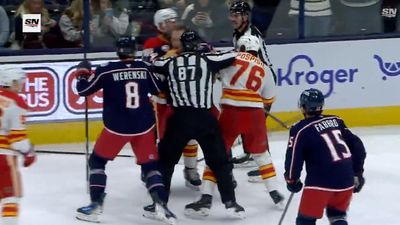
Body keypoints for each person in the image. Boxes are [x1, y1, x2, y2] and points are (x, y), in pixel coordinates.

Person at [74, 36, 176, 224]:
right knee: (150, 167)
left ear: (118, 51)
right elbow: (158, 88)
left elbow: (83, 90)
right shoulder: (144, 68)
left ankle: (95, 205)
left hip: (116, 128)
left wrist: (82, 72)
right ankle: (161, 204)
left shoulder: (106, 70)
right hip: (143, 126)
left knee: (97, 162)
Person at [185, 35, 285, 216]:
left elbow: (213, 72)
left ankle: (206, 198)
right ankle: (275, 194)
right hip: (255, 114)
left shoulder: (231, 57)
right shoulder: (265, 68)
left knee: (217, 155)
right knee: (261, 155)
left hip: (231, 112)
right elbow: (268, 99)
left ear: (242, 47)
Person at [153, 30, 245, 218]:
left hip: (179, 119)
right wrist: (210, 50)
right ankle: (231, 203)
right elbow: (234, 55)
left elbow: (153, 64)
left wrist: (160, 53)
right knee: (220, 161)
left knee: (165, 162)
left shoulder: (170, 62)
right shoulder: (207, 59)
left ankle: (160, 203)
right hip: (204, 118)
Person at [284, 88, 367, 225]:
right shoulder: (336, 120)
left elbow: (293, 158)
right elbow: (358, 147)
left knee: (305, 220)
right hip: (346, 180)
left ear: (303, 107)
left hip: (319, 183)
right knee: (337, 216)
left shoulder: (299, 129)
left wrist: (292, 180)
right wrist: (357, 173)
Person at [144, 9, 203, 189]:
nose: (174, 23)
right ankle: (153, 170)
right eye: (170, 20)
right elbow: (149, 68)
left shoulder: (183, 38)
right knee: (160, 138)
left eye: (175, 20)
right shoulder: (152, 43)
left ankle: (191, 169)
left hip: (185, 98)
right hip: (161, 100)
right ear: (161, 24)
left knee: (191, 134)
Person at [228, 0, 277, 168]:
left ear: (246, 16)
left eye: (236, 15)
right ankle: (250, 152)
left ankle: (265, 162)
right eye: (231, 15)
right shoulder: (238, 33)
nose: (232, 19)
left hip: (263, 82)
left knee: (256, 124)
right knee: (245, 117)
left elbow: (252, 64)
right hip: (253, 78)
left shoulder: (251, 36)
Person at [0, 67, 36, 225]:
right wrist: (29, 152)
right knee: (10, 198)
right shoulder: (16, 102)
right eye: (19, 81)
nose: (21, 85)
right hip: (4, 159)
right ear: (11, 81)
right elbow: (18, 140)